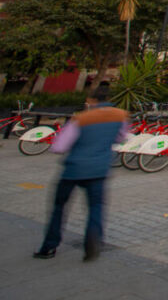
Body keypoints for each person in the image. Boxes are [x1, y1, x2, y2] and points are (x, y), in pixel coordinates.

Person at [34, 84, 129, 261]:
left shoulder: (81, 118)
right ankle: (93, 241)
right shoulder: (121, 116)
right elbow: (120, 138)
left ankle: (49, 246)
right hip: (100, 168)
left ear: (92, 100)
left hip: (73, 169)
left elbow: (60, 146)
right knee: (96, 207)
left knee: (59, 207)